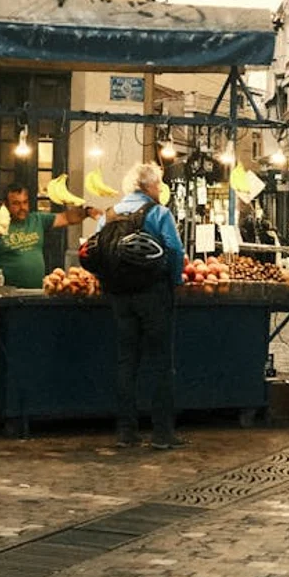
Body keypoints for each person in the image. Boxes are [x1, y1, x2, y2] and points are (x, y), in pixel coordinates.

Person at [102, 162, 186, 450]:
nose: (160, 189)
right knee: (161, 363)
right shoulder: (159, 213)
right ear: (148, 186)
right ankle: (162, 433)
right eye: (158, 184)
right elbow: (174, 249)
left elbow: (97, 250)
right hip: (153, 295)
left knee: (126, 362)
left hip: (120, 296)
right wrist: (176, 280)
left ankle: (126, 432)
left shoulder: (111, 213)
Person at [0, 183, 97, 289]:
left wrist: (87, 212)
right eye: (16, 203)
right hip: (8, 295)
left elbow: (66, 218)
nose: (22, 207)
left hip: (37, 292)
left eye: (25, 202)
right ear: (5, 205)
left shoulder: (37, 219)